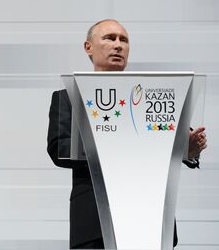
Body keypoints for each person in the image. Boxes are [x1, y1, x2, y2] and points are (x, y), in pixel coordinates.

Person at [46, 19, 207, 249]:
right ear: (88, 47)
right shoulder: (68, 98)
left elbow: (174, 138)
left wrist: (187, 149)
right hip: (94, 224)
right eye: (109, 38)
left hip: (149, 220)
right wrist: (117, 145)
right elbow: (59, 148)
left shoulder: (146, 96)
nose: (118, 45)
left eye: (124, 40)